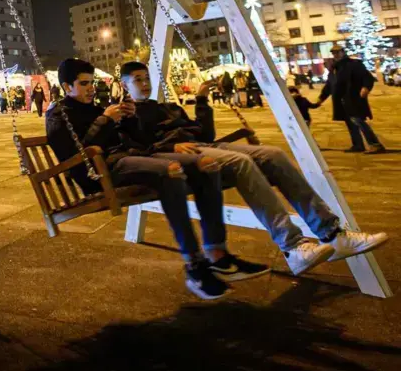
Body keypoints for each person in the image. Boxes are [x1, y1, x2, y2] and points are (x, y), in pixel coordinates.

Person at [121, 61, 387, 276]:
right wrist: (172, 147)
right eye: (137, 80)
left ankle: (332, 233)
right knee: (241, 162)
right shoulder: (128, 114)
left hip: (205, 144)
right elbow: (141, 146)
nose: (145, 84)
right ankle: (293, 246)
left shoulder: (168, 106)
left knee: (273, 154)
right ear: (124, 85)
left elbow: (204, 132)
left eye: (146, 78)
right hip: (186, 157)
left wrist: (202, 101)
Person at [46, 59, 245, 300]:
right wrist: (105, 120)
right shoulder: (58, 115)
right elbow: (76, 154)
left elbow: (140, 142)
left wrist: (128, 120)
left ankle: (216, 251)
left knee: (206, 166)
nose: (91, 88)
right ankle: (194, 265)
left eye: (92, 82)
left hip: (125, 160)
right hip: (100, 173)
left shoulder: (95, 107)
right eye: (84, 83)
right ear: (67, 87)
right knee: (170, 171)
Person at [318, 46, 386, 154]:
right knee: (350, 123)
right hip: (341, 101)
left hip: (354, 98)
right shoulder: (334, 69)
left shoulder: (353, 64)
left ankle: (375, 144)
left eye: (337, 52)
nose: (335, 54)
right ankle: (358, 145)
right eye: (333, 52)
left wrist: (366, 88)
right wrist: (321, 98)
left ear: (343, 52)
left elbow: (367, 77)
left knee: (357, 120)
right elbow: (329, 86)